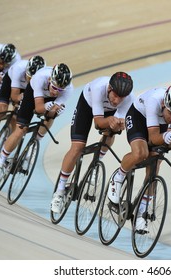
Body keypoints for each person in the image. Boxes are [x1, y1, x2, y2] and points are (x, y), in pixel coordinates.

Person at [106, 83, 171, 232]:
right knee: (141, 153)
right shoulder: (154, 100)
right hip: (139, 115)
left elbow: (168, 138)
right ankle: (118, 177)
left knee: (154, 166)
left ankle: (141, 213)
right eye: (170, 113)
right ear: (164, 103)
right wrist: (167, 137)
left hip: (159, 124)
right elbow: (152, 138)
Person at [50, 71, 134, 214]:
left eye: (121, 98)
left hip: (107, 113)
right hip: (87, 106)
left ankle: (96, 163)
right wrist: (110, 121)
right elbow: (98, 123)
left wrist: (118, 124)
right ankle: (59, 192)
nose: (117, 101)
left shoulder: (129, 98)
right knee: (77, 147)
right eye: (115, 95)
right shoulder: (98, 88)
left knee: (111, 133)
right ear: (109, 89)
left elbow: (118, 123)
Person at [0, 63, 74, 183]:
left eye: (60, 90)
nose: (56, 92)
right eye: (55, 88)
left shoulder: (68, 90)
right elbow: (39, 108)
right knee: (20, 130)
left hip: (48, 100)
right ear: (50, 79)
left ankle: (35, 143)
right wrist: (46, 106)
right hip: (32, 93)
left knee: (49, 119)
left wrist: (55, 111)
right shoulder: (40, 78)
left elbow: (49, 114)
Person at [0, 55, 46, 152]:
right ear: (26, 70)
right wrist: (21, 98)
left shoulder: (42, 78)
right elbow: (14, 97)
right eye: (29, 76)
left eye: (33, 79)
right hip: (10, 83)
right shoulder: (18, 69)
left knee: (17, 119)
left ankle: (5, 144)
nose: (30, 80)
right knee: (1, 110)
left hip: (27, 90)